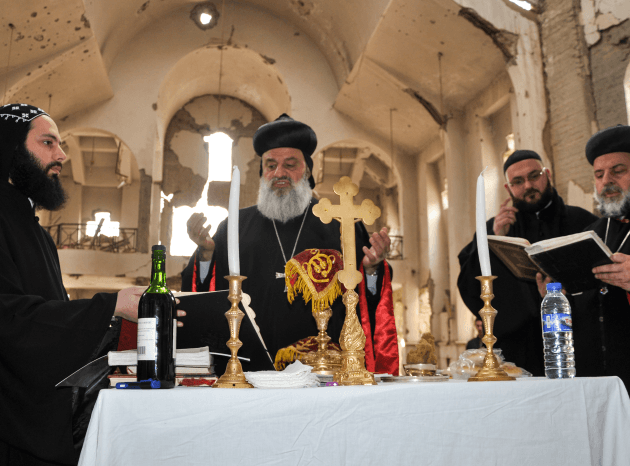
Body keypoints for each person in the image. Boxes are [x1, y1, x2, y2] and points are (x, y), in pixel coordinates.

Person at [0, 104, 184, 466]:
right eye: (48, 143)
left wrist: (122, 328)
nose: (62, 155)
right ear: (11, 149)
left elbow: (50, 326)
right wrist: (108, 305)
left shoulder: (36, 231)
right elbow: (9, 318)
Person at [181, 114, 399, 374]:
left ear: (307, 170)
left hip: (324, 370)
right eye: (270, 165)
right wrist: (206, 256)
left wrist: (372, 269)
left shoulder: (340, 222)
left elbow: (364, 299)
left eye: (290, 164)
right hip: (250, 370)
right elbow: (207, 298)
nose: (279, 173)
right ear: (262, 171)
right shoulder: (235, 225)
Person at [457, 150, 596, 376]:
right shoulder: (492, 230)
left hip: (575, 344)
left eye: (535, 176)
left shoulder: (582, 221)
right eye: (518, 181)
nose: (528, 185)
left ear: (547, 175)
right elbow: (471, 287)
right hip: (517, 351)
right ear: (508, 188)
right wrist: (493, 240)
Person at [547, 125, 630, 426]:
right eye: (599, 175)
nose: (606, 181)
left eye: (618, 170)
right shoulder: (594, 233)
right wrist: (555, 293)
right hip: (597, 382)